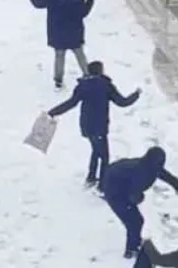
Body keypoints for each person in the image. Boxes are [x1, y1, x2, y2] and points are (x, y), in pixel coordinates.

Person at [47, 60, 141, 189]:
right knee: (104, 156)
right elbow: (122, 102)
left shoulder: (82, 86)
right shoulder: (106, 85)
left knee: (96, 151)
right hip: (100, 126)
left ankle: (91, 178)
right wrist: (136, 95)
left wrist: (53, 112)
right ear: (101, 71)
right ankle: (103, 185)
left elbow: (70, 103)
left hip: (86, 126)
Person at [100, 146, 178, 258]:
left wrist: (175, 183)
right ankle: (131, 250)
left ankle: (135, 244)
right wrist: (139, 198)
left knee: (136, 221)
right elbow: (134, 193)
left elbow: (161, 173)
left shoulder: (150, 165)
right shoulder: (142, 172)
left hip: (118, 183)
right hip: (115, 193)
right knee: (134, 222)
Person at [29, 0, 97, 89]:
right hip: (74, 32)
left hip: (57, 32)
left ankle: (58, 80)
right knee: (79, 53)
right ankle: (87, 75)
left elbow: (37, 3)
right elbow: (84, 12)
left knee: (59, 55)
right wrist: (90, 0)